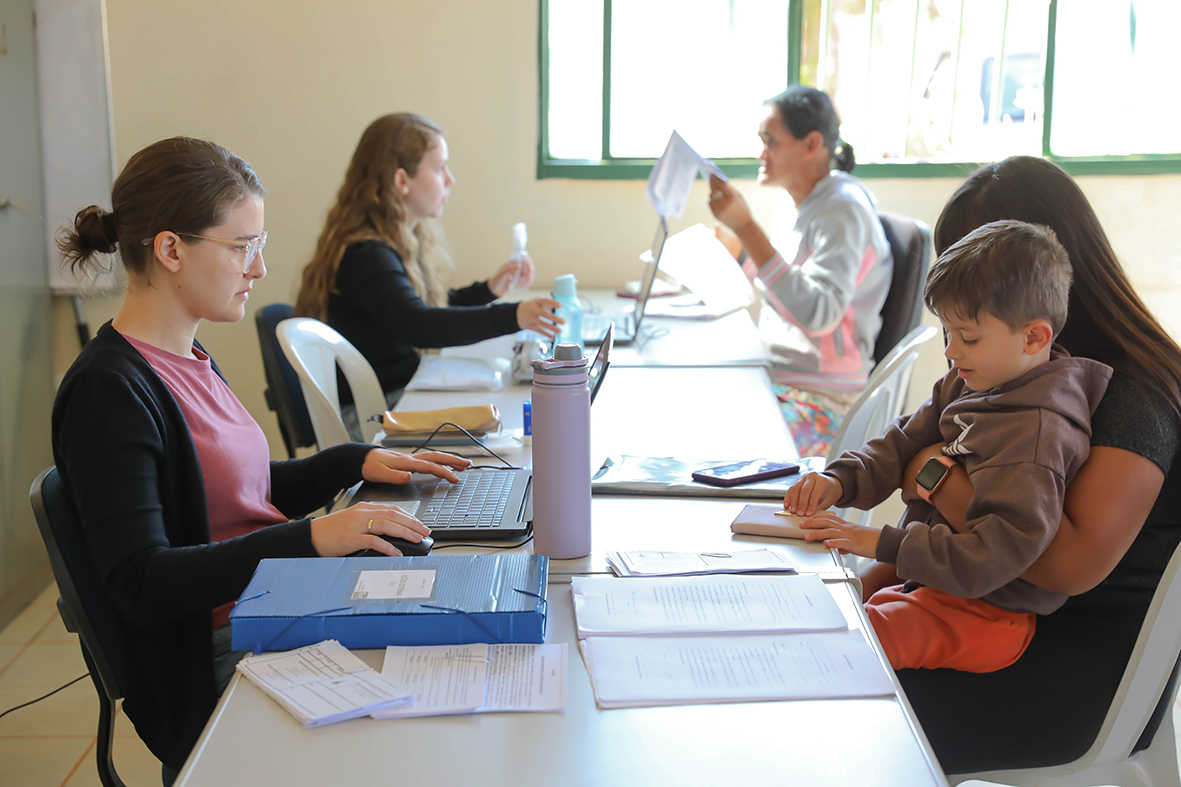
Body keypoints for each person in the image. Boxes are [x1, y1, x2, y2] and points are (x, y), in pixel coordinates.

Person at [51, 137, 471, 781]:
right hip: (222, 649)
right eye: (242, 246)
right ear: (170, 250)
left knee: (461, 609)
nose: (260, 268)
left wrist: (355, 463)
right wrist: (308, 539)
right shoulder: (108, 390)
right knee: (446, 695)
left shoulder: (188, 357)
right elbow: (141, 581)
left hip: (276, 602)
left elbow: (230, 491)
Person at [809, 156, 1181, 772]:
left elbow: (1064, 565)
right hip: (975, 610)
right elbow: (922, 453)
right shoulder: (1022, 371)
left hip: (1062, 667)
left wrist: (932, 473)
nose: (957, 332)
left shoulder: (1132, 397)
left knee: (827, 706)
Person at [788, 219, 1111, 673]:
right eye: (947, 333)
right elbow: (903, 441)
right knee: (818, 610)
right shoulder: (972, 379)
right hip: (933, 587)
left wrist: (881, 541)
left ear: (1034, 337)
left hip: (984, 614)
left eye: (969, 338)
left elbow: (996, 553)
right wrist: (839, 480)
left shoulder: (1036, 435)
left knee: (845, 646)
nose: (951, 351)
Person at [294, 113, 563, 412]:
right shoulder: (367, 254)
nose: (450, 179)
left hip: (397, 398)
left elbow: (423, 308)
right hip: (376, 415)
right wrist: (513, 315)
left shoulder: (390, 242)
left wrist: (489, 289)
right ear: (402, 180)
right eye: (440, 168)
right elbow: (416, 323)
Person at [708, 86, 893, 457]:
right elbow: (790, 286)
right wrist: (743, 254)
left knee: (717, 441)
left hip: (824, 399)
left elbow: (819, 313)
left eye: (771, 142)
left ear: (811, 144)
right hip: (781, 376)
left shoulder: (842, 210)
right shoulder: (798, 203)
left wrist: (749, 230)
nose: (762, 154)